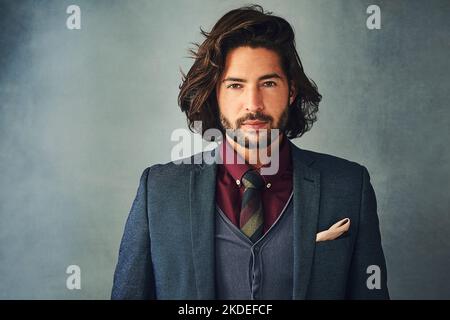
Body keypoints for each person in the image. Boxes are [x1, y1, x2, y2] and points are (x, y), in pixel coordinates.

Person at [111, 5, 389, 300]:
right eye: (235, 85)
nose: (253, 104)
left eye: (268, 83)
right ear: (215, 94)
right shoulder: (159, 190)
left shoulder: (348, 186)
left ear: (291, 91)